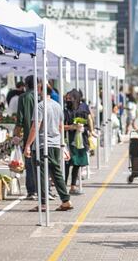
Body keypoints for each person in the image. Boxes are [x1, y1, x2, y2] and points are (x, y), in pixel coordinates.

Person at [25, 83, 72, 212]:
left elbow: (35, 127)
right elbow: (61, 127)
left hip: (42, 144)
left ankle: (43, 203)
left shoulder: (40, 106)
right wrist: (63, 145)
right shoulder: (58, 106)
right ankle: (66, 200)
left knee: (40, 174)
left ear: (40, 90)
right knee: (56, 172)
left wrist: (28, 145)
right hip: (55, 143)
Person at [63, 89, 92, 195]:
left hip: (81, 140)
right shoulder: (66, 110)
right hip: (69, 140)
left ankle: (73, 186)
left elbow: (89, 119)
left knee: (78, 163)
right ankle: (64, 186)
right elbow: (61, 126)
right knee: (67, 163)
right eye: (67, 98)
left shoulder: (83, 107)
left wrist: (91, 131)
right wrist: (72, 126)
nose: (68, 100)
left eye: (70, 98)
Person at [16, 75, 38, 199]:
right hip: (41, 134)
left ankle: (31, 191)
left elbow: (20, 119)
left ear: (26, 84)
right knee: (40, 162)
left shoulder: (23, 97)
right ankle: (42, 189)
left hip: (28, 134)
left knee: (29, 163)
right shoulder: (40, 97)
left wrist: (16, 135)